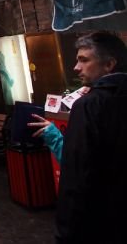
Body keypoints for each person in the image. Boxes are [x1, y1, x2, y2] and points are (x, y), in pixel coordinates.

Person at [54, 31, 127, 244]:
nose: (76, 67)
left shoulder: (89, 105)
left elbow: (76, 173)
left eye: (84, 60)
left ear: (109, 64)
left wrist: (66, 232)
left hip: (100, 223)